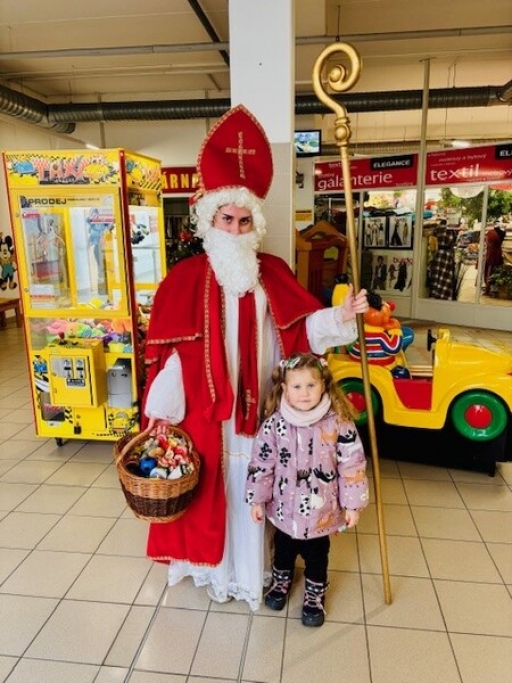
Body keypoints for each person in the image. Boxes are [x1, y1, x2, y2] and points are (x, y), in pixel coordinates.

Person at [142, 104, 368, 610]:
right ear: (210, 220)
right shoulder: (183, 280)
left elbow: (302, 328)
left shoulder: (273, 270)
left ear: (255, 224)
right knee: (214, 485)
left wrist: (342, 315)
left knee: (265, 483)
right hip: (209, 412)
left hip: (266, 407)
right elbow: (169, 352)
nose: (237, 227)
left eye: (245, 220)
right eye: (228, 218)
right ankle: (216, 569)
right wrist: (168, 403)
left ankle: (265, 570)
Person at [245, 353, 369, 626]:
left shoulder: (339, 423)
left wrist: (353, 505)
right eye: (297, 387)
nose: (304, 393)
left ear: (324, 385)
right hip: (284, 509)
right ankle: (281, 582)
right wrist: (257, 500)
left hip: (320, 511)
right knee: (283, 548)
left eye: (311, 385)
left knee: (316, 555)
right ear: (285, 390)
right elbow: (262, 463)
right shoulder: (275, 425)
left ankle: (314, 594)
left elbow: (353, 465)